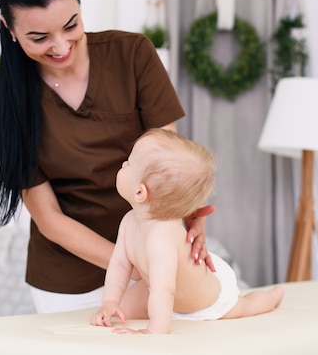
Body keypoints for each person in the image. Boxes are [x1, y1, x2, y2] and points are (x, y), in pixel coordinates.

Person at [0, 0, 214, 314]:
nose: (61, 47)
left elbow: (166, 161)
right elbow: (50, 219)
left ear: (79, 1)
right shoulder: (8, 109)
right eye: (39, 38)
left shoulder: (132, 55)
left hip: (150, 259)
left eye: (71, 25)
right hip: (68, 284)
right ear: (8, 28)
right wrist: (130, 263)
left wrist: (186, 214)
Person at [90, 129, 284, 334]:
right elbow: (120, 263)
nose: (123, 164)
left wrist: (153, 331)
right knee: (123, 310)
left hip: (204, 300)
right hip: (159, 291)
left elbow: (165, 290)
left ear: (140, 192)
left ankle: (271, 296)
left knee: (243, 307)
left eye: (128, 163)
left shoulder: (161, 238)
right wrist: (110, 302)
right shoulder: (129, 221)